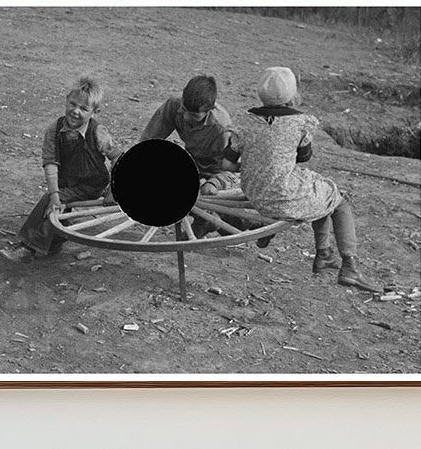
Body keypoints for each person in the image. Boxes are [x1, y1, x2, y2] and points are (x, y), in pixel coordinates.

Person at [225, 66, 378, 293]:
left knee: (320, 190)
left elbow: (226, 165)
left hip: (254, 192)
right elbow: (304, 157)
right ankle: (350, 266)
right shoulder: (300, 122)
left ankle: (324, 254)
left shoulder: (246, 122)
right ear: (291, 95)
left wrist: (255, 165)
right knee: (339, 200)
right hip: (282, 194)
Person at [1, 76, 121, 262]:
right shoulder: (54, 129)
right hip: (67, 180)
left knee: (52, 200)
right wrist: (55, 194)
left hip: (91, 184)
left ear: (94, 112)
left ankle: (28, 247)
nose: (75, 112)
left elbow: (118, 159)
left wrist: (113, 190)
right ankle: (54, 243)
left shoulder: (98, 132)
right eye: (72, 104)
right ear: (66, 100)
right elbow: (50, 162)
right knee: (56, 200)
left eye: (83, 109)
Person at [139, 74, 238, 194]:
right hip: (191, 161)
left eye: (193, 116)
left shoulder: (221, 128)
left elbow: (228, 168)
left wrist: (214, 183)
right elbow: (148, 141)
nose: (185, 117)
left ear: (208, 111)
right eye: (183, 109)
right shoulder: (174, 104)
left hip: (216, 172)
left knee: (208, 190)